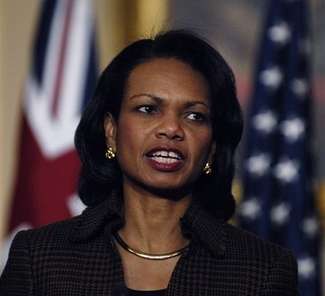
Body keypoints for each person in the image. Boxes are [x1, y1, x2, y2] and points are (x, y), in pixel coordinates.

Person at [1, 29, 298, 295]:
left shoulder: (263, 269)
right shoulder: (39, 257)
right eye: (148, 108)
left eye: (194, 115)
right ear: (111, 132)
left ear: (211, 148)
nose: (171, 129)